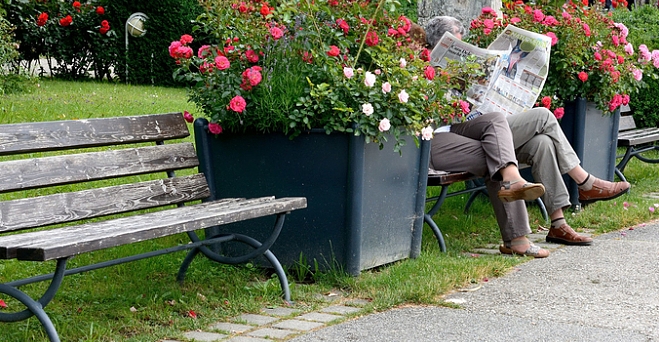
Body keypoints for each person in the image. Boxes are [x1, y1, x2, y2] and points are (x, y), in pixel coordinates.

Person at [423, 15, 631, 250]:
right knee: (539, 119)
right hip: (445, 136)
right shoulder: (420, 67)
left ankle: (558, 224)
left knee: (540, 142)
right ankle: (583, 183)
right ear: (433, 45)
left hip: (474, 126)